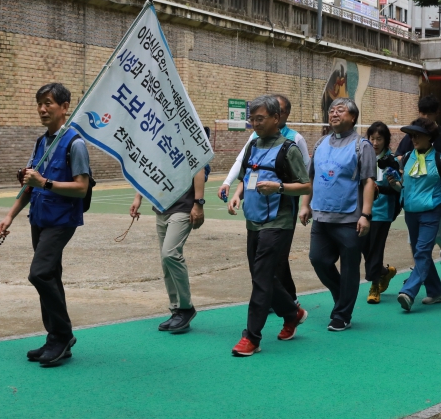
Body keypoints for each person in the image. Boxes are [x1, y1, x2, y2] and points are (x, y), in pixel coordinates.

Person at [0, 83, 92, 367]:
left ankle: (63, 335)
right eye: (39, 103)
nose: (42, 109)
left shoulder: (75, 143)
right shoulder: (41, 143)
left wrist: (45, 183)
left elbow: (81, 188)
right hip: (39, 218)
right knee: (51, 276)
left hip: (62, 219)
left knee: (39, 274)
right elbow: (29, 184)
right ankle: (55, 339)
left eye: (49, 103)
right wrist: (10, 215)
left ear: (64, 107)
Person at [226, 95, 312, 357]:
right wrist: (237, 194)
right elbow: (247, 176)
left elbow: (307, 185)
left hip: (279, 222)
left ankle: (251, 337)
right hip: (254, 220)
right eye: (252, 119)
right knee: (260, 275)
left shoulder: (289, 148)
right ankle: (292, 312)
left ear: (276, 119)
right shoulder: (253, 147)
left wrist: (279, 187)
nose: (254, 123)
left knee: (261, 277)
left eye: (259, 118)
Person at [300, 97, 376, 332]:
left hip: (349, 219)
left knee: (350, 269)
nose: (334, 114)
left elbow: (369, 182)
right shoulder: (320, 143)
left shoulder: (362, 146)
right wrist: (305, 205)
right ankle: (341, 296)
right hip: (321, 217)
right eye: (332, 111)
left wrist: (366, 215)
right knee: (318, 260)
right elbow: (310, 178)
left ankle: (342, 314)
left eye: (340, 111)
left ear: (353, 117)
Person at [129, 152, 208, 334]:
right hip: (161, 207)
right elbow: (146, 168)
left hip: (182, 207)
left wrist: (198, 203)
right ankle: (176, 309)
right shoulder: (155, 139)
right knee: (165, 262)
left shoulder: (184, 138)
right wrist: (138, 197)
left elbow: (199, 168)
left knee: (170, 253)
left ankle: (186, 307)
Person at [396, 118, 441, 311]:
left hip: (431, 211)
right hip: (411, 212)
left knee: (421, 251)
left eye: (417, 135)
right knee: (420, 252)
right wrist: (394, 183)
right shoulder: (407, 157)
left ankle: (408, 291)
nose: (413, 138)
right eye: (412, 135)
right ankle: (435, 292)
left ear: (430, 137)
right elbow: (404, 185)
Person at [364, 121, 400, 304]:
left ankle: (374, 286)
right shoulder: (363, 157)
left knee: (375, 250)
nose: (375, 142)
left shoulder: (391, 161)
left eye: (379, 139)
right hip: (364, 210)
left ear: (386, 141)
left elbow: (397, 189)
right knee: (365, 247)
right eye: (372, 138)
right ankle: (386, 273)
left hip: (382, 211)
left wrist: (381, 188)